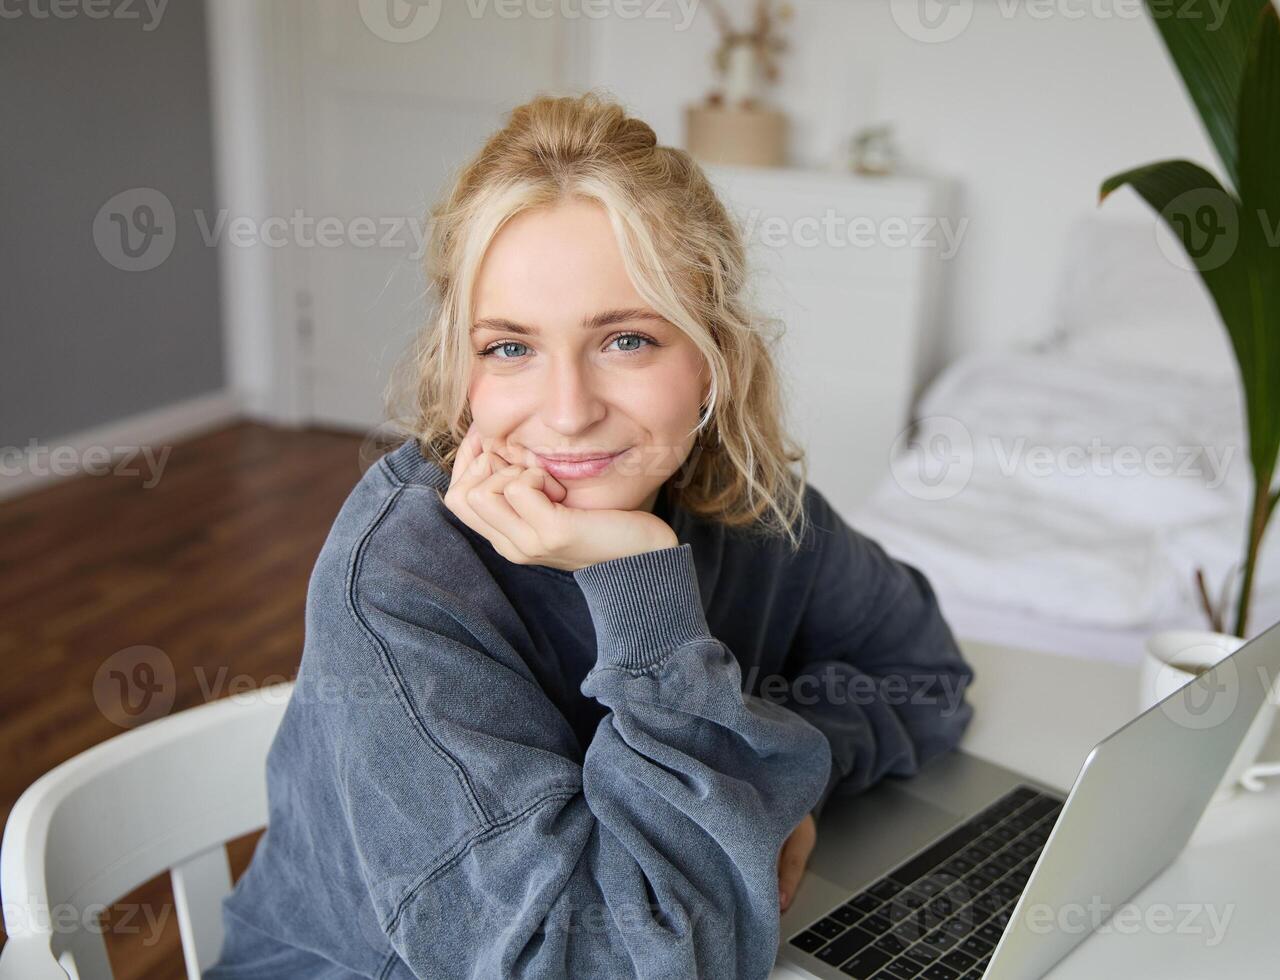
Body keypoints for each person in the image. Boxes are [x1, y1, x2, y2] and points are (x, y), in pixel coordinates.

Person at [205, 91, 974, 980]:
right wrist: (644, 595)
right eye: (509, 348)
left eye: (627, 340)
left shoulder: (748, 503)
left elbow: (923, 677)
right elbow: (595, 963)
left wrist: (768, 790)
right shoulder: (401, 587)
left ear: (714, 357)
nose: (569, 414)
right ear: (457, 371)